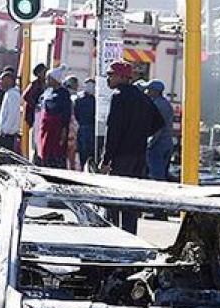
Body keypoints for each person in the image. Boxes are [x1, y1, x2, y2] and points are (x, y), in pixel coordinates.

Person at [99, 61, 164, 233]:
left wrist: (106, 160)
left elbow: (113, 131)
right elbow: (159, 122)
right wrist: (140, 134)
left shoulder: (118, 96)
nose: (108, 78)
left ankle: (114, 235)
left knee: (115, 199)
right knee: (131, 199)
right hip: (139, 156)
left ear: (122, 77)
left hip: (121, 157)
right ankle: (130, 235)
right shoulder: (142, 97)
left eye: (111, 75)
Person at [35, 66, 72, 169]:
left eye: (49, 78)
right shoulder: (48, 92)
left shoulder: (63, 93)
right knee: (45, 153)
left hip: (57, 129)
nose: (47, 81)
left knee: (56, 155)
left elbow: (66, 114)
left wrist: (63, 132)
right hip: (46, 129)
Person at [145, 80, 175, 182]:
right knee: (163, 172)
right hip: (167, 143)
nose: (147, 92)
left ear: (155, 91)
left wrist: (151, 143)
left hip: (158, 144)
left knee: (157, 175)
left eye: (149, 89)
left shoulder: (157, 105)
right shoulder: (165, 103)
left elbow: (158, 127)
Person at [23, 63, 48, 156]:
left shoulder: (45, 84)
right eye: (43, 72)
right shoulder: (35, 84)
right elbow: (26, 96)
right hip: (35, 116)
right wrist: (36, 105)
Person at [0, 70, 22, 152]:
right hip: (4, 134)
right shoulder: (8, 93)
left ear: (9, 81)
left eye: (2, 81)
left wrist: (4, 131)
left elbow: (12, 115)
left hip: (7, 135)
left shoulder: (13, 95)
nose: (1, 83)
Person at [73, 78, 96, 169]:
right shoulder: (79, 99)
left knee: (91, 152)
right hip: (83, 127)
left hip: (92, 129)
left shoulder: (95, 99)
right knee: (83, 152)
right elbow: (76, 114)